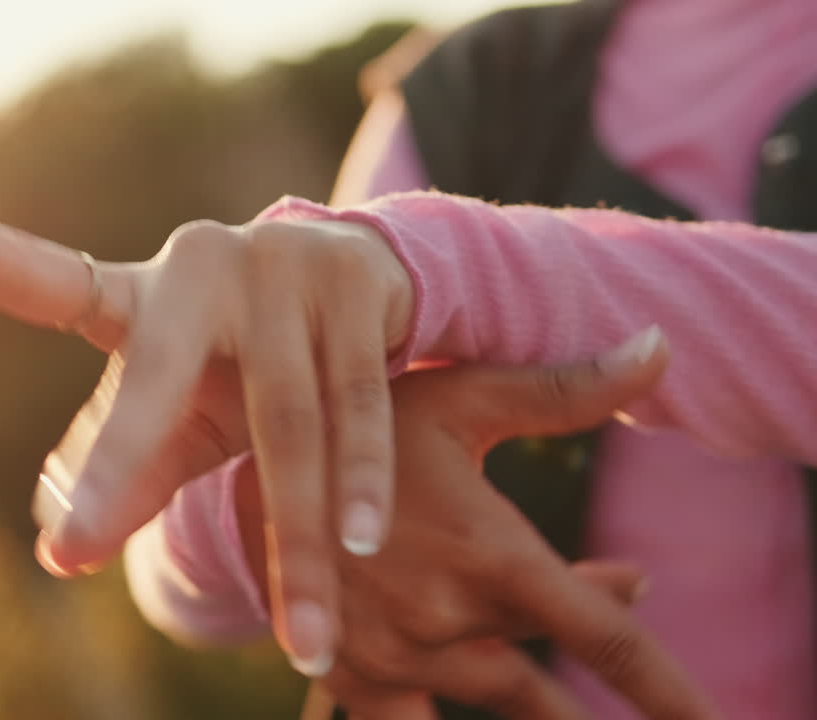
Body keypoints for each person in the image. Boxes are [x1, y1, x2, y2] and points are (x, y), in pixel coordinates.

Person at [118, 0, 817, 717]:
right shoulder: (473, 89)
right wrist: (251, 497)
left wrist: (470, 272)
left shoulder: (426, 228)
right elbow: (181, 574)